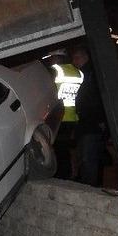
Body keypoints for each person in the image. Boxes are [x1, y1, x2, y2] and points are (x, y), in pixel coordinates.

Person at [43, 49, 84, 179]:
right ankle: (70, 174)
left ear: (56, 57)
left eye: (51, 57)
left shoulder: (55, 70)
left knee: (57, 149)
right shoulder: (79, 73)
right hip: (72, 116)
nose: (50, 60)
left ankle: (62, 175)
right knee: (66, 148)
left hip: (57, 117)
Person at [72, 46, 105, 187]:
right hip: (87, 121)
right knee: (86, 156)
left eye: (77, 58)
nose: (74, 61)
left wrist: (99, 120)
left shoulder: (90, 74)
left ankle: (90, 185)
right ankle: (89, 183)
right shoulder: (87, 73)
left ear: (85, 57)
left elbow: (94, 99)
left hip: (91, 122)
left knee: (88, 157)